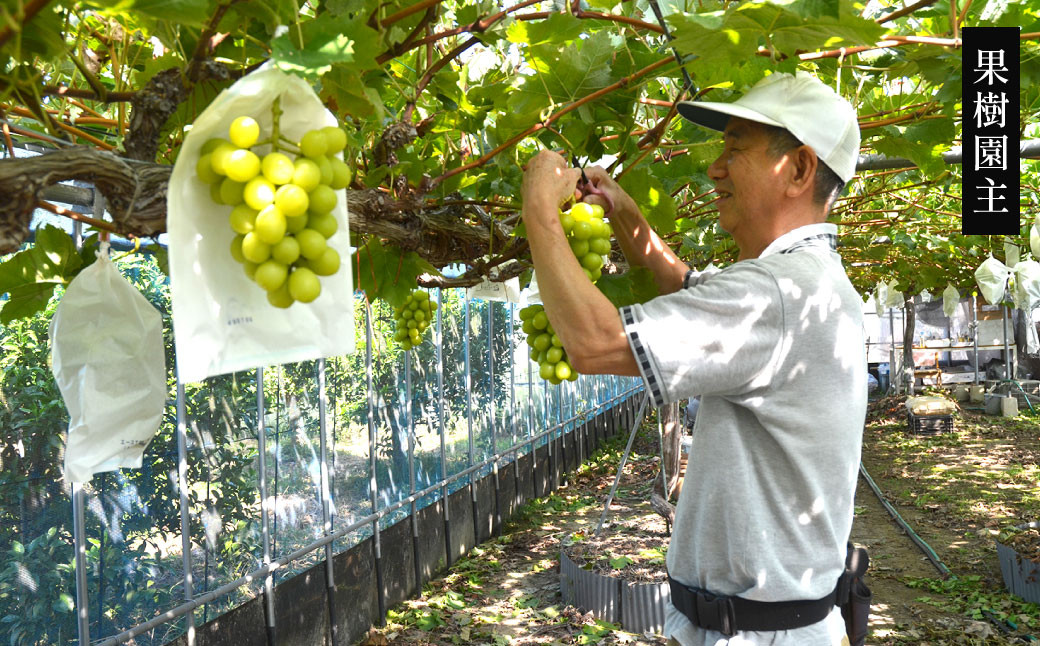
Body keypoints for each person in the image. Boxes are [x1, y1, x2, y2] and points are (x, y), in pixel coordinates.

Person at [520, 71, 867, 646]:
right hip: (766, 625)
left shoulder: (774, 296)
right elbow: (688, 288)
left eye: (735, 150)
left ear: (799, 170)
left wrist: (540, 212)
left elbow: (594, 342)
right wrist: (623, 211)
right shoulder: (804, 283)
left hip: (758, 636)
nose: (714, 167)